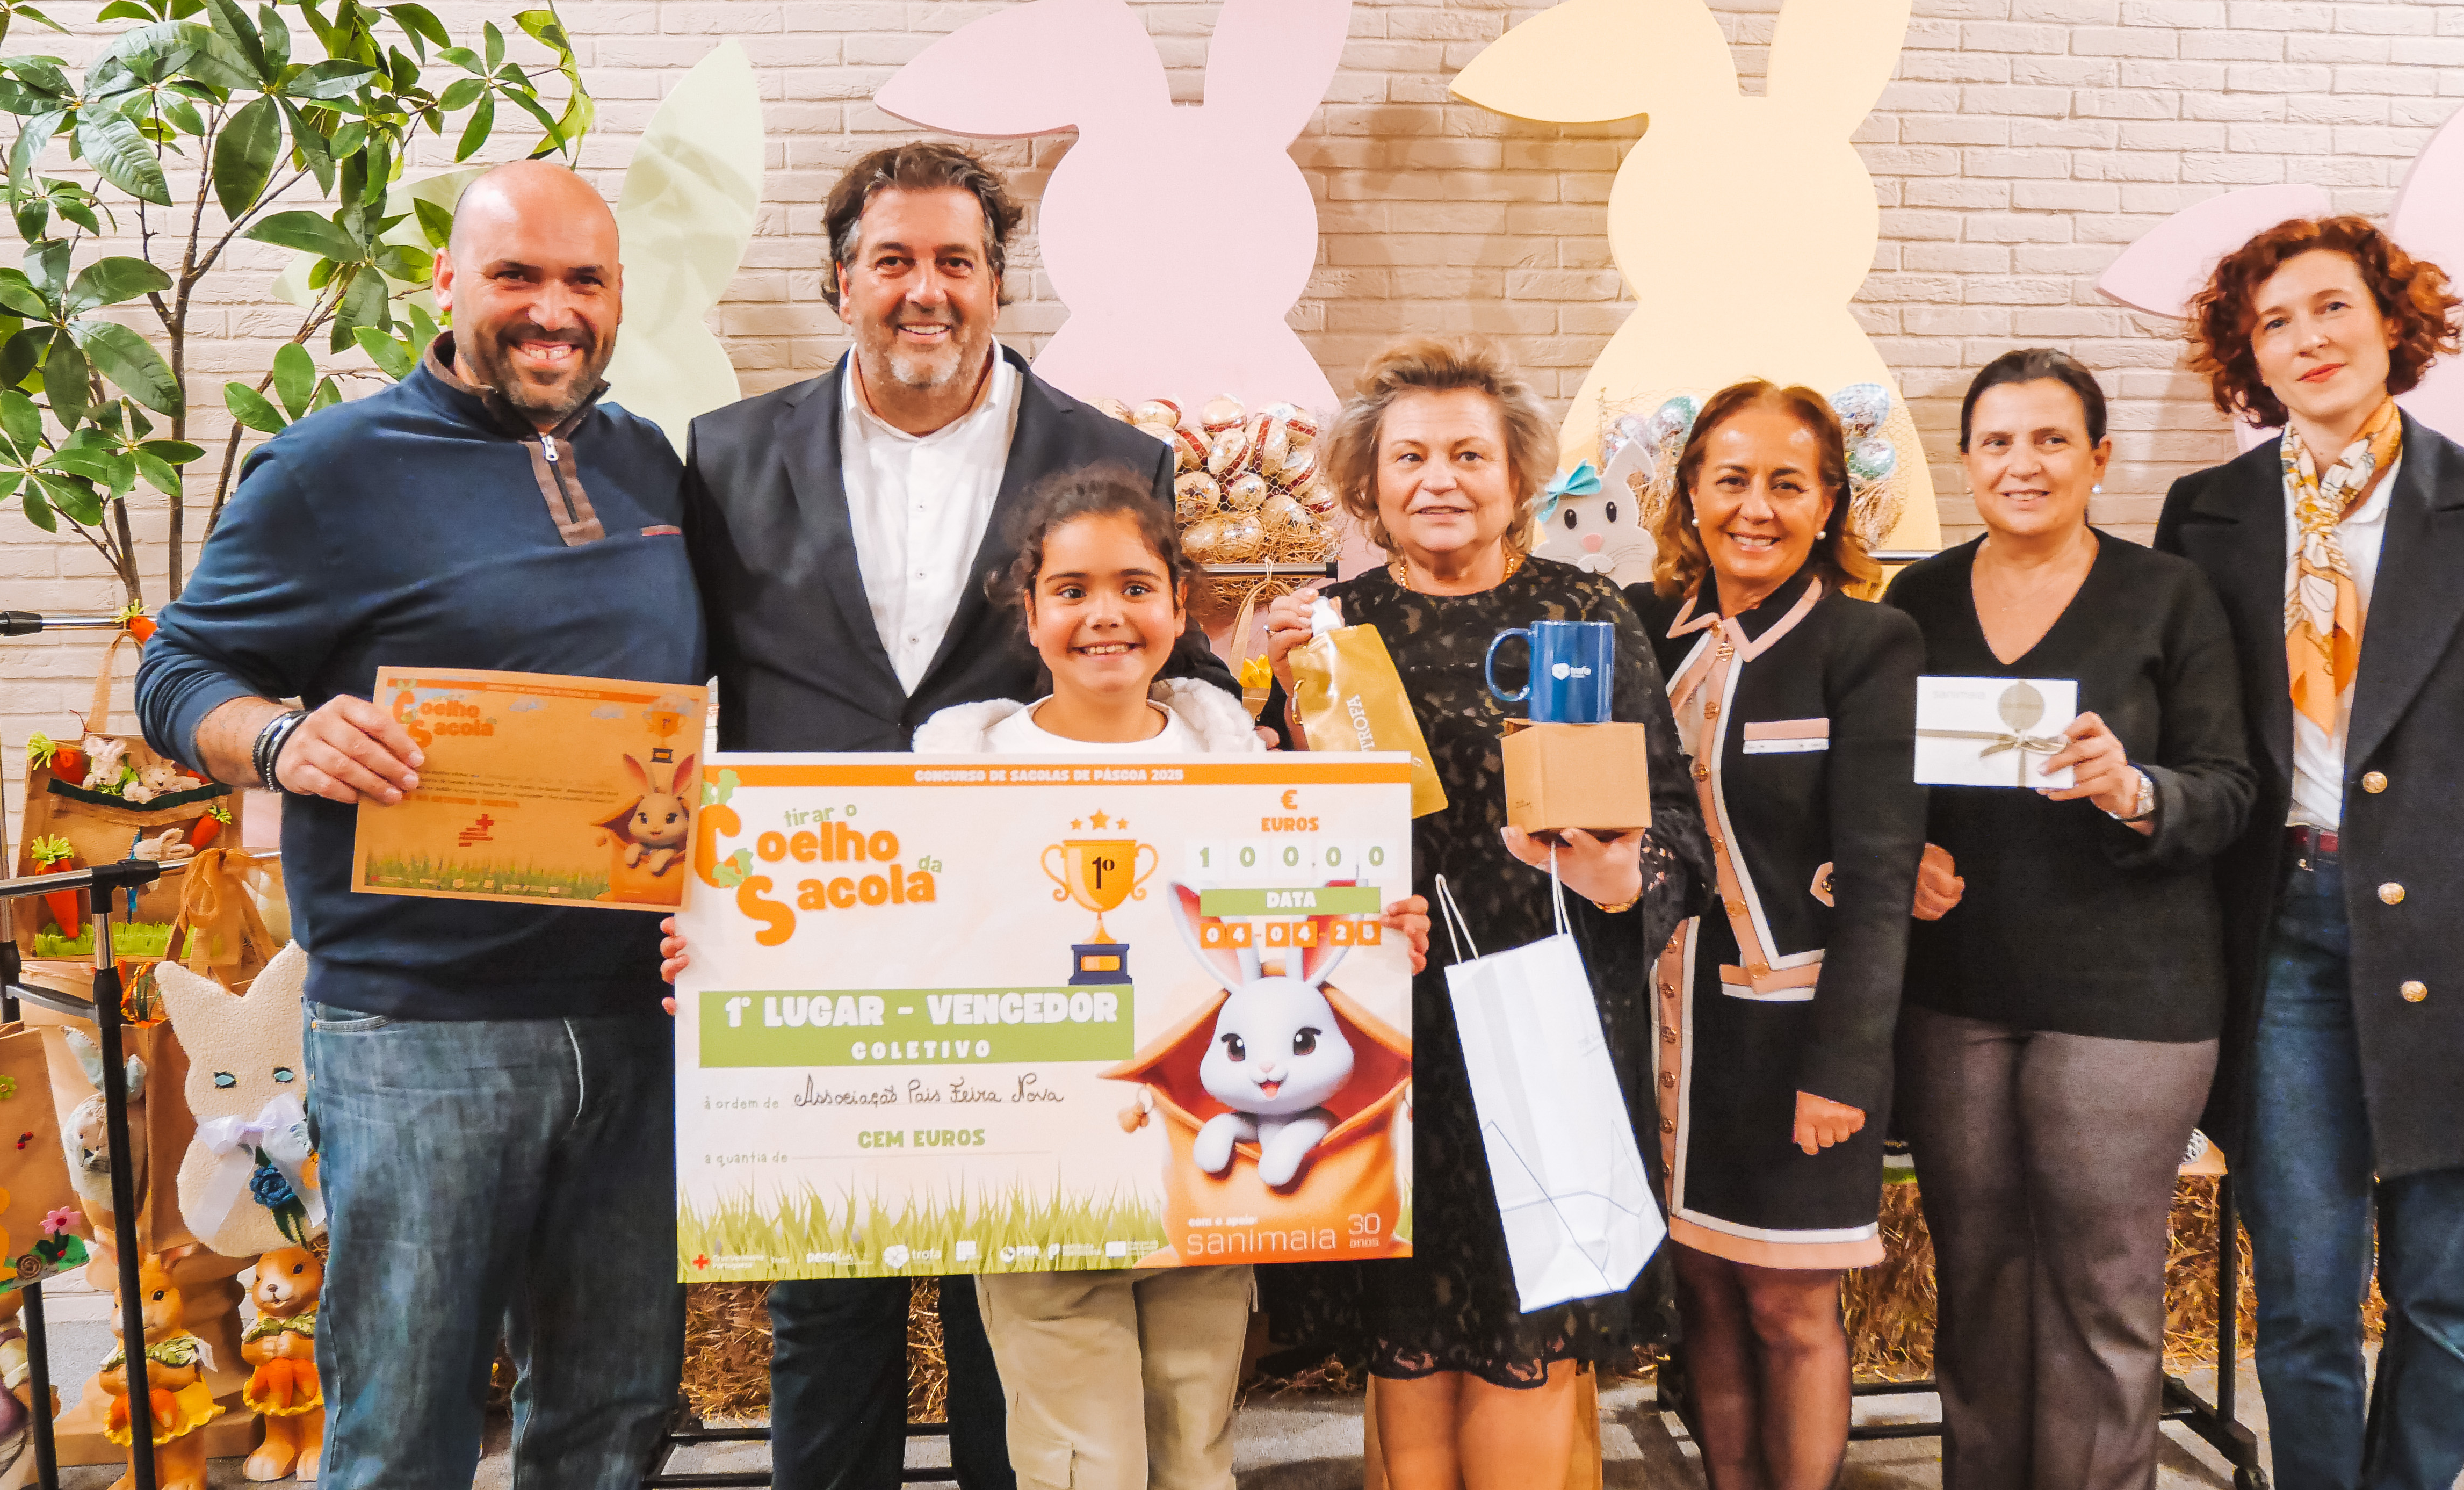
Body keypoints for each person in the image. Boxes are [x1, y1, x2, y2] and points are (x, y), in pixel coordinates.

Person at [664, 465, 1428, 1490]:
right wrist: (724, 964)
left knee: (1195, 1445)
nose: (1104, 616)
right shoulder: (953, 779)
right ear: (1029, 615)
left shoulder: (1240, 772)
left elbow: (1298, 950)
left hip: (1203, 1184)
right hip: (1036, 1195)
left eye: (1135, 587)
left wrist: (1381, 943)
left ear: (1178, 606)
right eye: (1071, 591)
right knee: (1081, 1459)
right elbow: (872, 940)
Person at [676, 141, 1238, 1490]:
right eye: (893, 261)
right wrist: (677, 888)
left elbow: (1168, 670)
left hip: (1027, 950)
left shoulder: (1110, 455)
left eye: (956, 261)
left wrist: (1302, 846)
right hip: (810, 938)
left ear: (997, 281)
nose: (924, 290)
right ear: (841, 280)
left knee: (1018, 1307)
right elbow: (678, 685)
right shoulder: (727, 454)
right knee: (827, 1305)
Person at [134, 161, 698, 1489]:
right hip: (420, 1028)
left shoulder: (648, 460)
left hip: (637, 1015)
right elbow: (179, 670)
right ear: (445, 282)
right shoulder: (331, 469)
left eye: (584, 279)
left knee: (615, 1411)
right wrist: (282, 738)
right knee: (404, 1422)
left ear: (619, 295)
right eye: (516, 275)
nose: (552, 308)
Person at [2153, 216, 2464, 1490]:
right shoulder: (2208, 514)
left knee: (2442, 1303)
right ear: (2250, 359)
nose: (2308, 338)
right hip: (2282, 933)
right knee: (2304, 1300)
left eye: (2332, 307)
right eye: (2274, 322)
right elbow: (2180, 732)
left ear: (2391, 323)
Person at [1258, 337, 1707, 1490]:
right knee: (1405, 1339)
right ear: (1369, 482)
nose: (1440, 479)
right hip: (1385, 1034)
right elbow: (1275, 846)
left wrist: (1625, 878)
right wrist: (1264, 710)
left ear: (1517, 476)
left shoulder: (1585, 613)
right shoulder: (1327, 633)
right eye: (1410, 456)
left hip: (1552, 1024)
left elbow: (1674, 822)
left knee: (1528, 1340)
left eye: (1469, 453)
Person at [1882, 349, 2254, 1490]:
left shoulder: (2169, 595)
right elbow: (1879, 783)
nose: (2024, 463)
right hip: (1955, 989)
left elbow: (2230, 787)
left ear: (2100, 458)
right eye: (1997, 441)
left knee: (2103, 1285)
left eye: (2051, 440)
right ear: (1965, 461)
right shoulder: (1917, 600)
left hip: (2127, 996)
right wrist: (1902, 858)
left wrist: (2133, 788)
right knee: (1978, 1278)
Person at [1619, 381, 1925, 1490]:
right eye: (1732, 479)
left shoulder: (1868, 641)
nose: (1756, 507)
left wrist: (1844, 1067)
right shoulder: (1638, 625)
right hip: (1663, 1028)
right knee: (1703, 1290)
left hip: (1797, 1034)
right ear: (1690, 493)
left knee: (1790, 1304)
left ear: (1830, 501)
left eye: (1787, 483)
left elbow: (1882, 877)